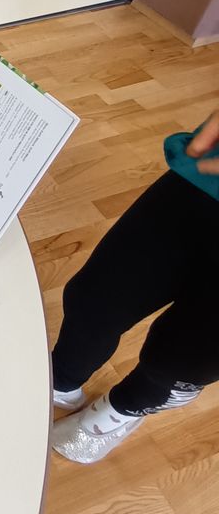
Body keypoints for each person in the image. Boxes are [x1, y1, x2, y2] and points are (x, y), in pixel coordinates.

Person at [51, 110, 219, 463]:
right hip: (209, 181)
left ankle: (126, 408)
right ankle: (62, 378)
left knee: (183, 359)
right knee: (96, 299)